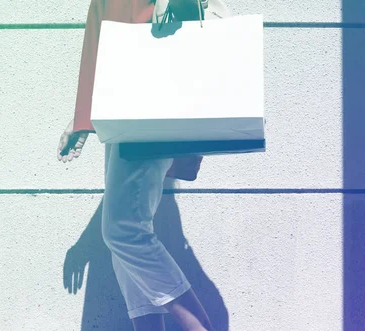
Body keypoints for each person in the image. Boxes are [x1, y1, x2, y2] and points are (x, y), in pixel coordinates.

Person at [58, 1, 215, 330]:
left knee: (123, 232)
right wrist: (87, 113)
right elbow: (108, 14)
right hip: (125, 90)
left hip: (152, 84)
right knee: (127, 239)